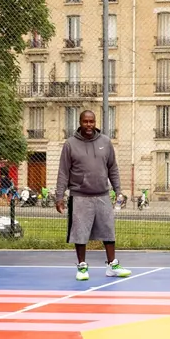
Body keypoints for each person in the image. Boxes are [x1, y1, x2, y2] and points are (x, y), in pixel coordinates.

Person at [55, 110, 130, 281]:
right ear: (80, 122)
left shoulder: (105, 142)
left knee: (108, 231)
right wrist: (59, 196)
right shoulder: (70, 144)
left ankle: (112, 266)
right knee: (80, 233)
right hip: (80, 195)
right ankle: (82, 267)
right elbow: (63, 172)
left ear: (95, 122)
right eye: (85, 121)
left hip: (103, 194)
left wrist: (118, 191)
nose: (89, 125)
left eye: (92, 121)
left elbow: (113, 168)